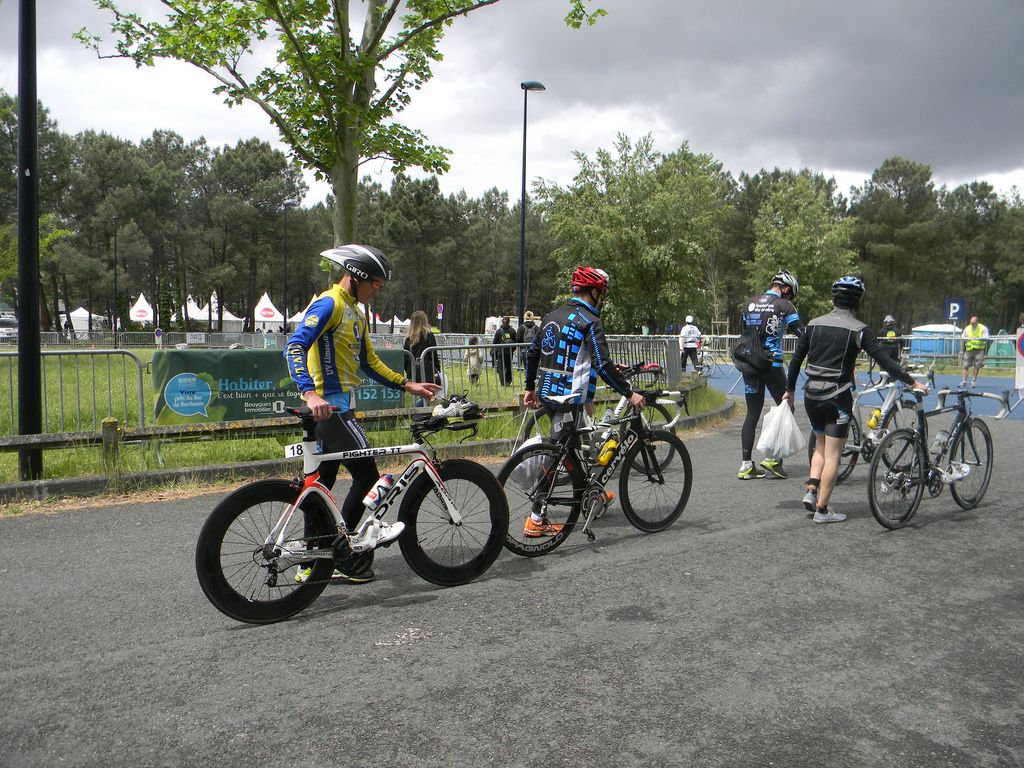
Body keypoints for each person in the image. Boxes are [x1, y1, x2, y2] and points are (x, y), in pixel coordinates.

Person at [285, 244, 440, 584]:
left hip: (342, 407)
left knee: (321, 485)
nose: (377, 289)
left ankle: (313, 562)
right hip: (330, 407)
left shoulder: (356, 312)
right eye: (376, 283)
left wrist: (407, 385)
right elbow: (295, 345)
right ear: (356, 277)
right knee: (368, 476)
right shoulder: (330, 303)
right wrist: (310, 394)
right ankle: (343, 553)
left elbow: (369, 363)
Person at [784, 276, 928, 523]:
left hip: (811, 395)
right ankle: (822, 510)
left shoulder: (813, 324)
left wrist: (789, 390)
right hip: (837, 398)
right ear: (857, 302)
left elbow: (796, 359)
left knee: (820, 443)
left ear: (834, 299)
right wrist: (913, 383)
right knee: (833, 455)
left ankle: (810, 490)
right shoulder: (860, 330)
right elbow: (886, 363)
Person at [522, 266, 646, 537]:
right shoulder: (589, 319)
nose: (603, 298)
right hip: (569, 398)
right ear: (593, 292)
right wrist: (629, 393)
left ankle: (593, 496)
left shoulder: (553, 315)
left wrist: (529, 388)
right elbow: (601, 365)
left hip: (547, 392)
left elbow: (532, 353)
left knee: (573, 449)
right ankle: (535, 518)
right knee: (557, 457)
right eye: (602, 293)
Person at [737, 270, 803, 480]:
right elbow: (802, 334)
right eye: (790, 294)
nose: (790, 298)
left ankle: (746, 465)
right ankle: (774, 460)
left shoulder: (749, 303)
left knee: (752, 413)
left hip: (749, 364)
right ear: (785, 288)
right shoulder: (785, 306)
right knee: (786, 406)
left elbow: (745, 330)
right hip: (772, 365)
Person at [403, 310, 440, 406]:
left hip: (412, 370)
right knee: (427, 396)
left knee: (420, 394)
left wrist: (408, 371)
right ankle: (420, 413)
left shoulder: (409, 339)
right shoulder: (429, 336)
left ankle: (419, 413)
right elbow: (433, 354)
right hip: (426, 370)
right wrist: (437, 368)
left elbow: (405, 357)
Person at [960, 315, 990, 388]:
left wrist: (978, 338)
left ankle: (973, 381)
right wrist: (968, 338)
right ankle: (963, 381)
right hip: (969, 350)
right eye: (971, 323)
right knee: (965, 365)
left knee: (977, 366)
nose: (972, 325)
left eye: (973, 323)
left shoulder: (983, 328)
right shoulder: (967, 328)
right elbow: (962, 337)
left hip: (979, 350)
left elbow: (986, 337)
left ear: (977, 322)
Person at [492, 316, 515, 386]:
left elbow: (494, 342)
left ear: (502, 322)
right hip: (509, 351)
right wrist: (512, 350)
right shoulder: (513, 331)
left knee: (501, 367)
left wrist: (494, 352)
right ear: (509, 322)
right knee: (508, 366)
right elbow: (516, 342)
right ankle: (508, 380)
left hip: (500, 351)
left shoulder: (498, 331)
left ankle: (503, 383)